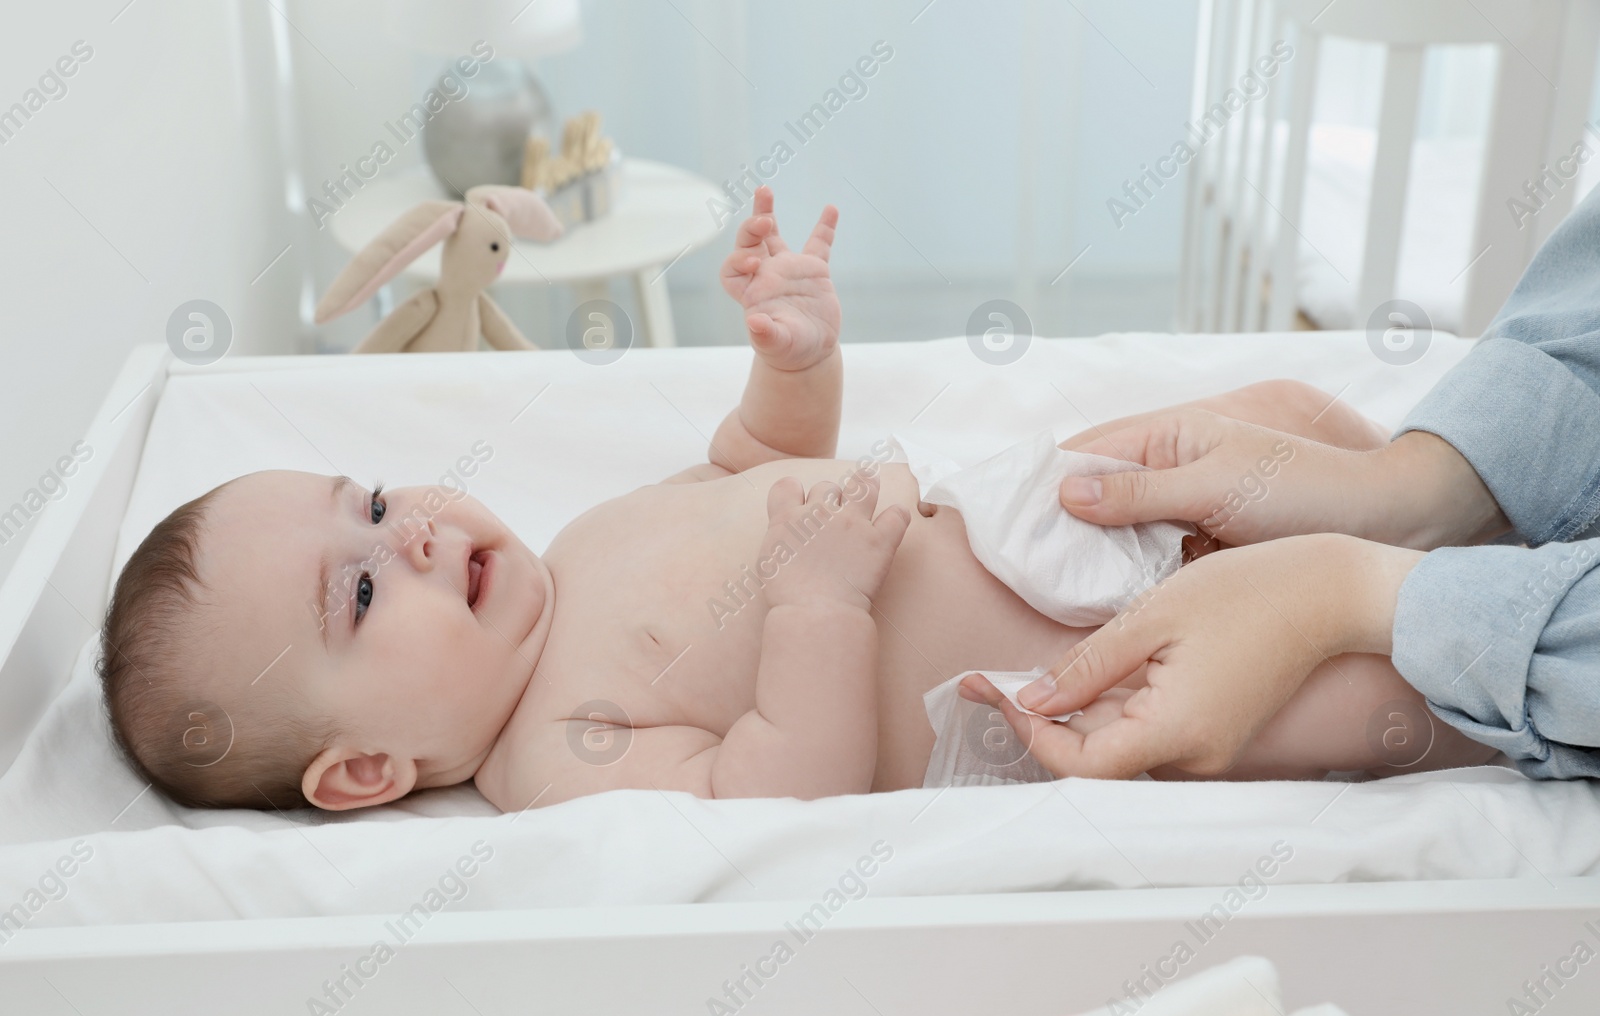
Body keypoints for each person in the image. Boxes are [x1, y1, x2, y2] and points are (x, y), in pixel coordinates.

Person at [95, 187, 1480, 817]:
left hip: (1018, 515)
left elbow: (755, 459)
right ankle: (1524, 658)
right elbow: (780, 789)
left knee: (1285, 428)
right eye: (358, 587)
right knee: (1357, 704)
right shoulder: (554, 765)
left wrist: (795, 362)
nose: (407, 535)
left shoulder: (579, 544)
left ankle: (1497, 507)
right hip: (1060, 679)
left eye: (375, 501)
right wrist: (817, 600)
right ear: (365, 769)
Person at [966, 184, 1600, 782]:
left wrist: (1340, 591)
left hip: (1135, 661)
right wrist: (1415, 486)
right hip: (1111, 683)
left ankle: (1482, 635)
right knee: (1365, 691)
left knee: (1372, 689)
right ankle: (1455, 568)